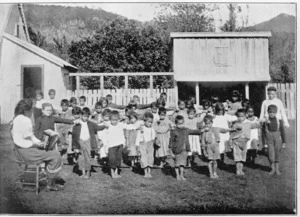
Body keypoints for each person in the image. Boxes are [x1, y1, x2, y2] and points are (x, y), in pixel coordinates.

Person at [11, 99, 64, 191]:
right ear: (26, 110)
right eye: (31, 110)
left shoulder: (16, 119)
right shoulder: (25, 120)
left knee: (50, 152)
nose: (32, 112)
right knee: (56, 155)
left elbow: (27, 138)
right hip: (28, 152)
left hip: (20, 151)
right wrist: (38, 144)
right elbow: (27, 139)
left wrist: (39, 143)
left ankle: (48, 178)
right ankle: (50, 184)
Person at [72, 107, 108, 179]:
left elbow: (98, 127)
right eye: (84, 116)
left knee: (87, 156)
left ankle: (88, 172)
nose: (86, 118)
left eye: (87, 116)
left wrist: (104, 126)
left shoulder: (90, 124)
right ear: (81, 115)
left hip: (88, 141)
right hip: (80, 141)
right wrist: (74, 147)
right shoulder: (77, 125)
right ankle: (82, 172)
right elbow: (74, 136)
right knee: (81, 157)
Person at [103, 110, 138, 178]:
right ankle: (112, 173)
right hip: (111, 146)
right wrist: (105, 147)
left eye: (116, 120)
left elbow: (128, 126)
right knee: (112, 159)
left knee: (118, 159)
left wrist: (136, 127)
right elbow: (104, 133)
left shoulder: (120, 125)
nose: (115, 121)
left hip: (119, 145)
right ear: (110, 120)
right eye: (113, 120)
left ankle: (116, 172)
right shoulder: (108, 125)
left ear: (118, 119)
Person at [169, 115, 203, 181]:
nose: (181, 125)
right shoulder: (174, 131)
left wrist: (202, 130)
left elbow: (194, 131)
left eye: (182, 123)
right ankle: (177, 175)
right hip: (177, 150)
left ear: (184, 123)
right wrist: (170, 150)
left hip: (184, 150)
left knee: (182, 164)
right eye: (179, 124)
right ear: (176, 124)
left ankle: (181, 175)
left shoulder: (186, 130)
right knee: (177, 164)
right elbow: (171, 141)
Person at [229, 109, 260, 176]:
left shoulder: (248, 124)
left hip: (244, 142)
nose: (240, 118)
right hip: (236, 142)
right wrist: (230, 142)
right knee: (237, 158)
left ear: (245, 116)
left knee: (243, 157)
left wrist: (261, 122)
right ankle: (238, 170)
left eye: (242, 116)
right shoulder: (235, 124)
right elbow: (232, 133)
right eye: (239, 116)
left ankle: (241, 170)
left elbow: (255, 125)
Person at [263, 105, 283, 175]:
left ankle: (277, 169)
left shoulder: (278, 120)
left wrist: (284, 141)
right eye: (270, 112)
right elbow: (263, 133)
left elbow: (282, 130)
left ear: (276, 112)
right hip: (269, 138)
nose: (271, 114)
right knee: (271, 153)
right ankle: (272, 169)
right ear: (268, 112)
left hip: (277, 137)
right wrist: (264, 143)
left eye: (273, 112)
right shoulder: (266, 121)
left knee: (277, 152)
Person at [137, 112, 157, 178]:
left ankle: (149, 172)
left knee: (150, 158)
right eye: (148, 122)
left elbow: (154, 136)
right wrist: (138, 145)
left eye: (151, 122)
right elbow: (139, 137)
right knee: (144, 158)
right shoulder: (142, 128)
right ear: (144, 121)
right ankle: (145, 172)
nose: (150, 124)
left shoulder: (152, 129)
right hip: (143, 144)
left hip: (150, 144)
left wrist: (154, 141)